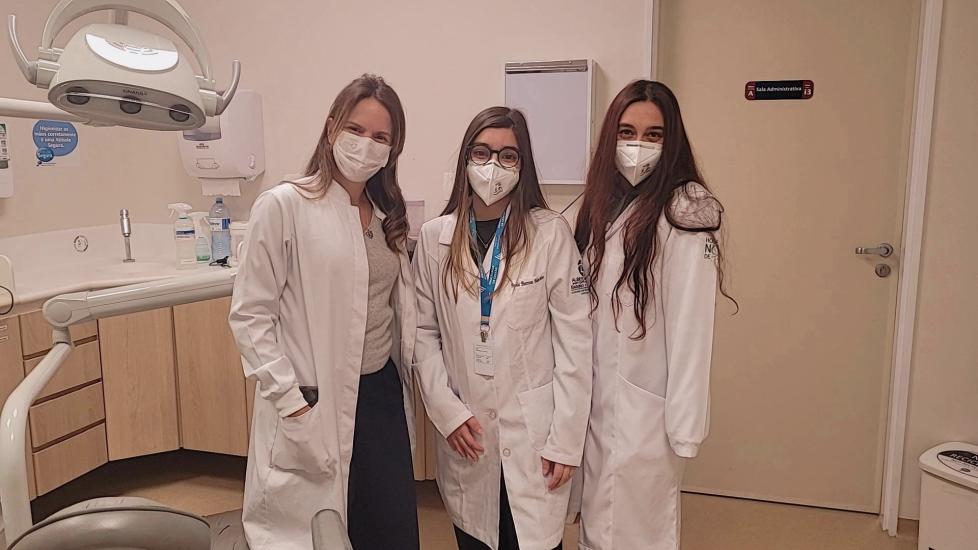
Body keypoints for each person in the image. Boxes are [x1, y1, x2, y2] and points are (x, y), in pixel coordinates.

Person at [229, 74, 419, 550]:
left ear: (392, 150)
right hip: (312, 400)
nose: (366, 146)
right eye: (356, 130)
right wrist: (290, 401)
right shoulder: (284, 205)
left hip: (379, 397)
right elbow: (251, 315)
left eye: (381, 138)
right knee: (317, 533)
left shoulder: (385, 218)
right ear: (332, 128)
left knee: (388, 531)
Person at [413, 106, 592, 550]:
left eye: (508, 156)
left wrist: (566, 442)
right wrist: (448, 414)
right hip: (467, 431)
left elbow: (575, 342)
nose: (493, 166)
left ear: (523, 165)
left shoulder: (550, 234)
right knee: (475, 537)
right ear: (465, 159)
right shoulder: (435, 240)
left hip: (536, 435)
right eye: (482, 152)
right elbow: (421, 335)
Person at [574, 80, 734, 550]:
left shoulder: (687, 210)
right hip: (599, 400)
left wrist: (685, 426)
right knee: (598, 526)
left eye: (654, 134)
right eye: (627, 131)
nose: (637, 145)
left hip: (644, 407)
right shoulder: (602, 203)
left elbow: (692, 329)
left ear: (672, 141)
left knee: (636, 531)